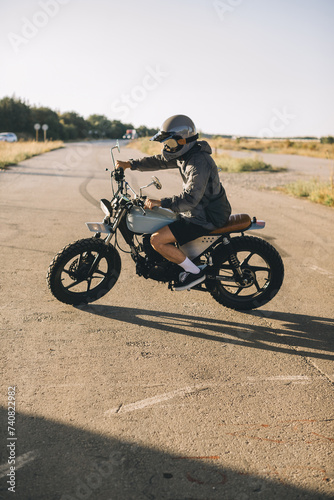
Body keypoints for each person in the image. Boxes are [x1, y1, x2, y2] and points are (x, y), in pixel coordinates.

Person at [116, 114, 231, 291]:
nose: (167, 148)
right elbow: (159, 160)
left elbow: (190, 199)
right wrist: (129, 164)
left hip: (205, 217)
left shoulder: (199, 162)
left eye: (170, 144)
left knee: (157, 240)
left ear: (183, 141)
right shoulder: (187, 155)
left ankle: (194, 272)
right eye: (165, 144)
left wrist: (160, 202)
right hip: (197, 211)